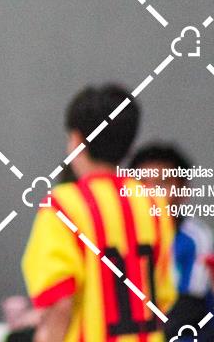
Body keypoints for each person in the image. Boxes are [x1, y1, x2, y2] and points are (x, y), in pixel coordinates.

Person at [21, 84, 176, 342]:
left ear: (76, 140)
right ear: (130, 144)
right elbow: (163, 294)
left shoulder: (63, 206)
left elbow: (59, 301)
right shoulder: (155, 204)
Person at [129, 142, 214, 341]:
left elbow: (189, 307)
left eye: (161, 184)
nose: (151, 192)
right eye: (142, 183)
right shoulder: (120, 234)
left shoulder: (195, 237)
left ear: (183, 191)